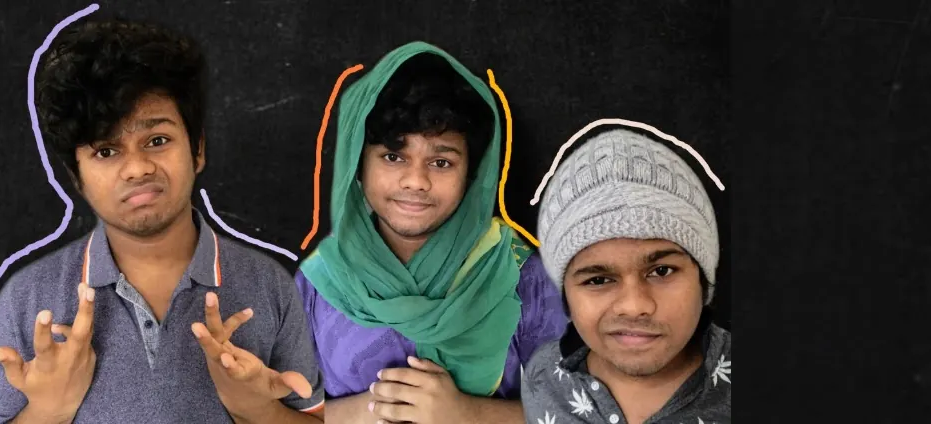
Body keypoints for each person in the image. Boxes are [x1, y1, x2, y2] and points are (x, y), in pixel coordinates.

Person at [0, 19, 325, 424]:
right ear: (76, 177)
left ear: (197, 149)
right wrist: (48, 411)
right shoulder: (25, 300)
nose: (137, 168)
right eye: (106, 151)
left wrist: (258, 410)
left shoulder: (271, 287)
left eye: (157, 140)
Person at [298, 42, 564, 424]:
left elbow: (579, 409)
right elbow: (274, 412)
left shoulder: (517, 273)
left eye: (441, 162)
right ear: (358, 164)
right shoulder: (318, 282)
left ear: (472, 173)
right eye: (393, 156)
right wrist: (359, 412)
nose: (416, 181)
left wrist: (467, 414)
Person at [519, 128, 731, 424]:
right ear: (566, 295)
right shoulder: (544, 377)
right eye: (598, 280)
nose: (634, 306)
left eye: (662, 271)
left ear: (703, 282)